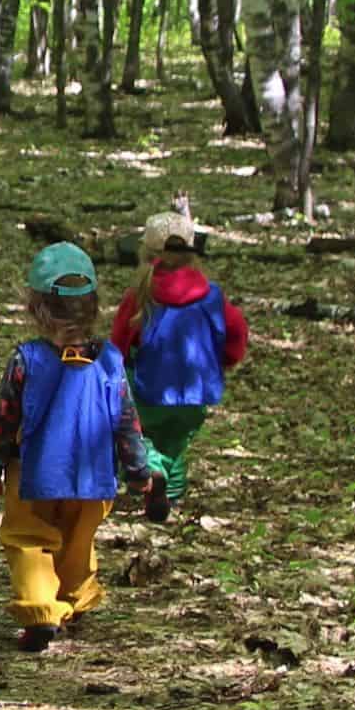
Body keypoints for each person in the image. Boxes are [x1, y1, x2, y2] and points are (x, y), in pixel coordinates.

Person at [0, 243, 163, 653]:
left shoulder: (27, 360)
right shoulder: (111, 362)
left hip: (34, 475)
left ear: (36, 308)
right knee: (78, 541)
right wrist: (138, 472)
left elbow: (5, 415)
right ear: (93, 307)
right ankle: (74, 601)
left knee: (29, 539)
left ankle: (42, 609)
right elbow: (127, 424)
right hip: (93, 477)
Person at [111, 211, 248, 507]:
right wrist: (224, 361)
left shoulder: (141, 293)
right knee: (177, 443)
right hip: (197, 390)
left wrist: (113, 374)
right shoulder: (212, 295)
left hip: (150, 389)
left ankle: (151, 473)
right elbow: (236, 332)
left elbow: (119, 342)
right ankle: (169, 499)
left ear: (146, 253)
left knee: (142, 436)